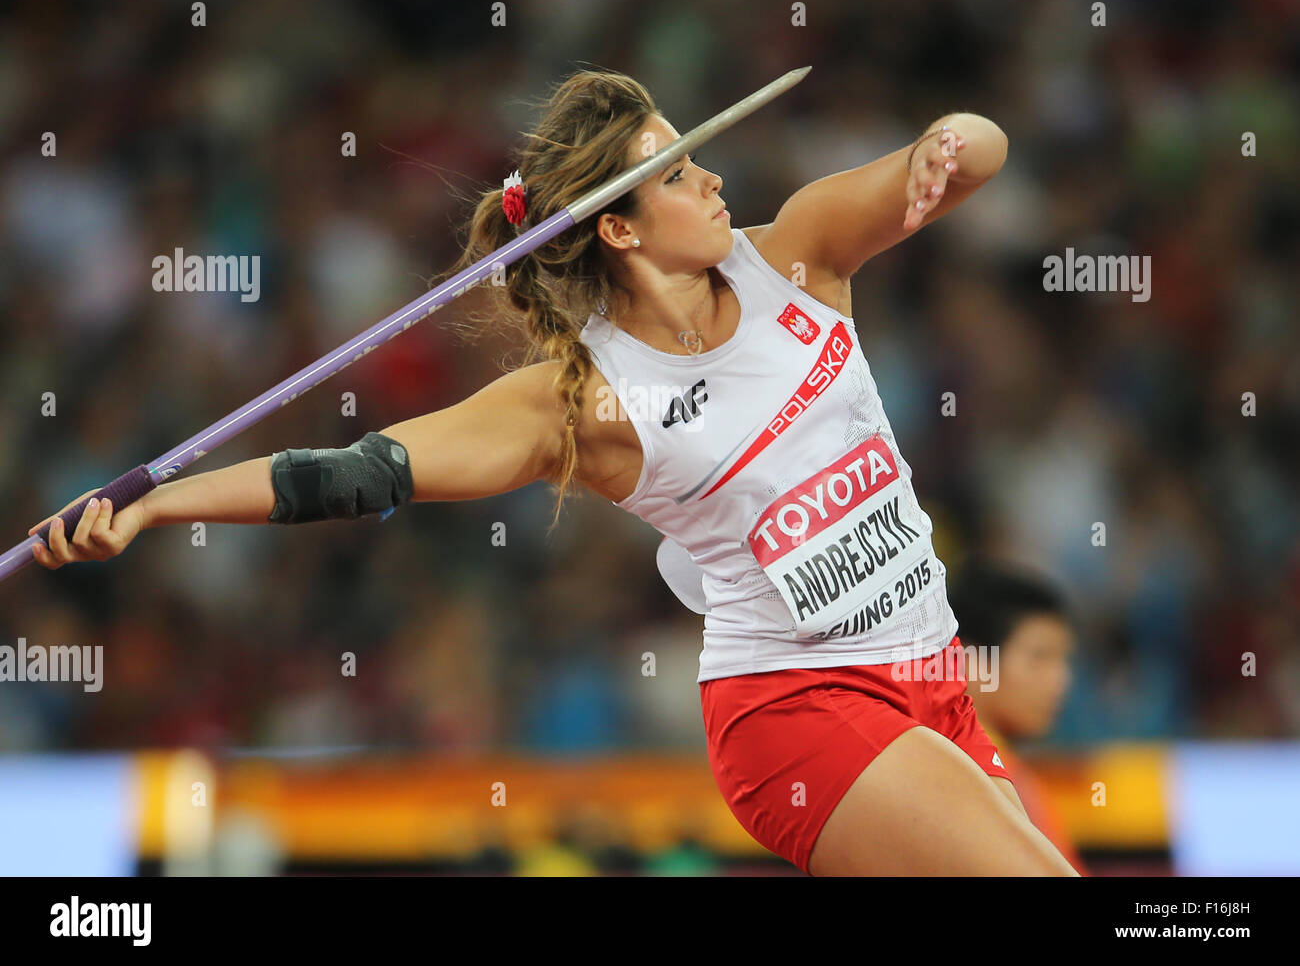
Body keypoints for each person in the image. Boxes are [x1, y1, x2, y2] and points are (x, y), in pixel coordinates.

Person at [28, 70, 1078, 877]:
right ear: (618, 226)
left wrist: (946, 145)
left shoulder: (797, 255)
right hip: (797, 707)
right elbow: (359, 472)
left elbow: (978, 152)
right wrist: (158, 501)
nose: (713, 176)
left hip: (932, 679)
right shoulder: (585, 400)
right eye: (677, 169)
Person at [946, 557, 1087, 875]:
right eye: (1040, 658)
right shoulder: (986, 779)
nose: (1062, 680)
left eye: (1063, 659)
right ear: (972, 660)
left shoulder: (1005, 772)